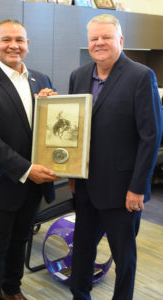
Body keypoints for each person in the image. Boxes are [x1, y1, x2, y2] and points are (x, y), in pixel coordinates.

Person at [68, 14, 163, 300]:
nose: (99, 43)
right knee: (82, 249)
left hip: (123, 191)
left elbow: (151, 137)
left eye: (106, 37)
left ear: (120, 40)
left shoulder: (140, 75)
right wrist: (72, 173)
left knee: (124, 257)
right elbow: (76, 129)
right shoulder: (79, 75)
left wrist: (137, 188)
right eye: (94, 38)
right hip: (85, 187)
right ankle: (79, 295)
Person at [0, 19, 59, 300]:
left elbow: (46, 131)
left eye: (19, 39)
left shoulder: (41, 80)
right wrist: (27, 169)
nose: (13, 45)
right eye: (6, 39)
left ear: (28, 45)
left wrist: (50, 107)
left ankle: (12, 288)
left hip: (33, 183)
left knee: (21, 239)